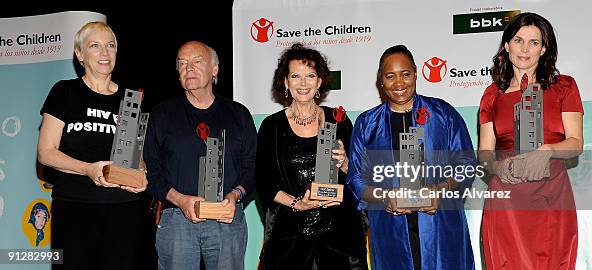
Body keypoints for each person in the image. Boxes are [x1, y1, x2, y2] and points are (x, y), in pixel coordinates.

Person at [347, 45, 476, 270]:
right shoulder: (367, 123)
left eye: (405, 74)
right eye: (390, 76)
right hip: (390, 229)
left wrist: (440, 190)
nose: (399, 83)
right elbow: (357, 179)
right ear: (381, 81)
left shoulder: (443, 114)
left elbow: (466, 166)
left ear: (416, 74)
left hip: (440, 227)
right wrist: (385, 197)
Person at [37, 21, 146, 270]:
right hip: (75, 207)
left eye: (110, 46)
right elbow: (46, 152)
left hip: (123, 210)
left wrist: (141, 173)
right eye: (95, 46)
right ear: (80, 54)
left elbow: (133, 157)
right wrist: (88, 169)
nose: (105, 53)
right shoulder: (64, 91)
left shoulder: (130, 98)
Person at [479, 12, 583, 269]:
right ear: (506, 45)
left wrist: (547, 150)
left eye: (534, 42)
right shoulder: (492, 94)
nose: (525, 49)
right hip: (506, 196)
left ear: (544, 48)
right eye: (518, 40)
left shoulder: (564, 87)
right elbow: (484, 153)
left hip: (550, 193)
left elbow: (575, 143)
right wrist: (497, 167)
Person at [144, 41, 256, 270]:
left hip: (226, 217)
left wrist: (235, 195)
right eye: (182, 64)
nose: (188, 68)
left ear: (215, 69)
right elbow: (151, 171)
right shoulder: (161, 114)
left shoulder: (238, 114)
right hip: (176, 218)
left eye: (197, 61)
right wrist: (180, 200)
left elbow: (252, 167)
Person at [255, 43, 368, 269]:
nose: (303, 83)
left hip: (340, 236)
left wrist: (345, 162)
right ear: (286, 82)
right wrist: (297, 203)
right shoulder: (272, 126)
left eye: (310, 76)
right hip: (290, 236)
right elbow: (263, 181)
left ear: (319, 81)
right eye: (296, 76)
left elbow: (361, 174)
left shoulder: (340, 121)